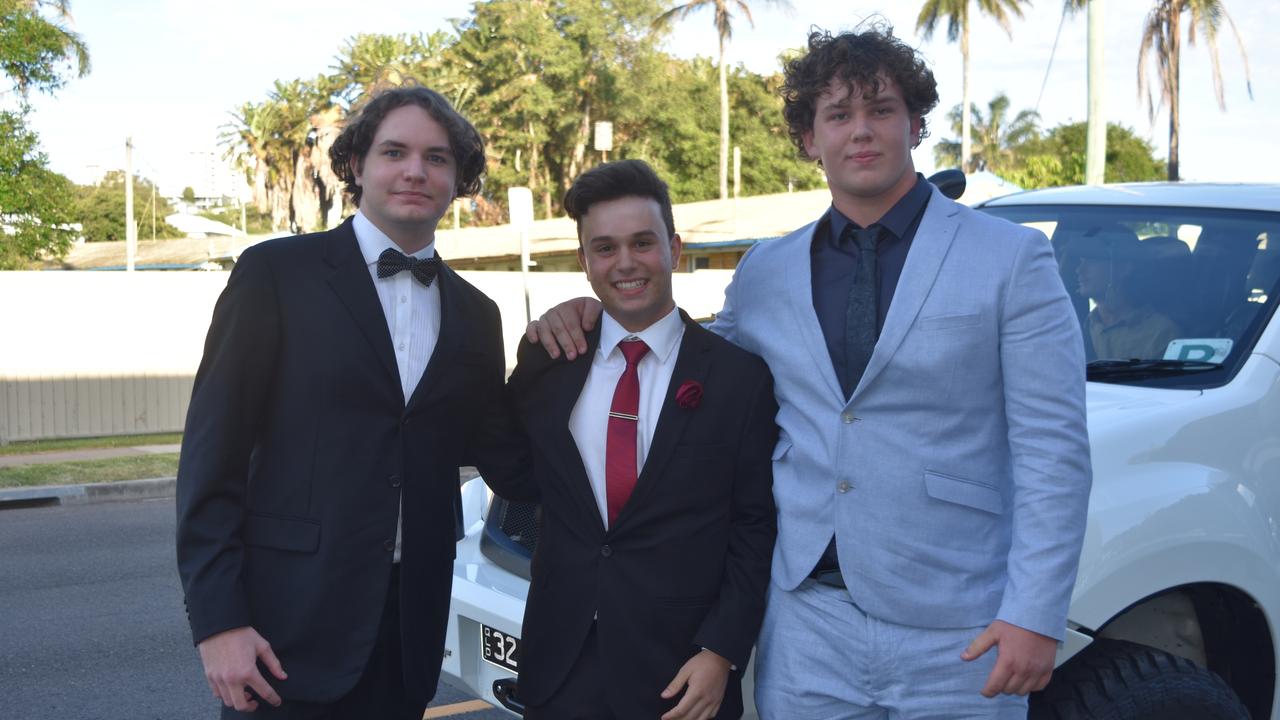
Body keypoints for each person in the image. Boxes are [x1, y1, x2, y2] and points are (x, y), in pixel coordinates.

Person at [528, 24, 1091, 719]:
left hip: (959, 625)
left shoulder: (1011, 259)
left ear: (915, 124)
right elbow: (684, 359)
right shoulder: (767, 270)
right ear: (807, 138)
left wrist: (1035, 613)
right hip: (805, 627)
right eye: (838, 114)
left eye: (881, 109)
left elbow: (1053, 452)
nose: (861, 131)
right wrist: (590, 309)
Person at [175, 85, 518, 719]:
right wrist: (218, 623)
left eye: (438, 158)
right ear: (357, 166)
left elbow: (509, 459)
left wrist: (579, 343)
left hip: (408, 639)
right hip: (282, 637)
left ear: (459, 178)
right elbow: (210, 460)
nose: (415, 171)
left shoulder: (478, 314)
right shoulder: (275, 275)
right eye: (395, 151)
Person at [497, 159, 778, 720]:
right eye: (604, 248)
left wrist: (721, 649)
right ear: (583, 261)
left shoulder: (739, 378)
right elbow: (512, 471)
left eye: (642, 243)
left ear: (673, 250)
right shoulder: (551, 356)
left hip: (681, 673)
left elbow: (755, 526)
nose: (624, 263)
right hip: (560, 664)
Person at [1073, 226, 1179, 360]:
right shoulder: (1082, 326)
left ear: (1123, 268)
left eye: (1092, 260)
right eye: (1081, 261)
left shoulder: (1161, 333)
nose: (1080, 270)